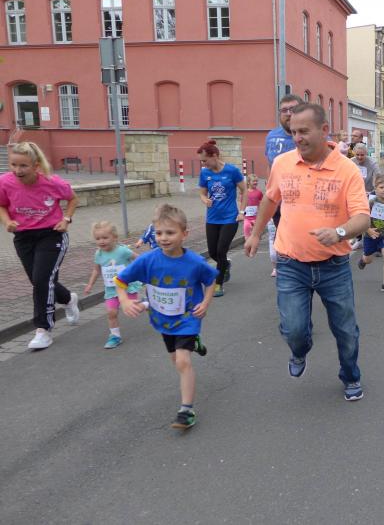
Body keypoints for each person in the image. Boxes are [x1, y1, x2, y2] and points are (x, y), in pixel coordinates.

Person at [244, 103, 370, 401]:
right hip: (291, 263)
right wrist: (256, 234)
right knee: (295, 330)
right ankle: (299, 350)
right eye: (293, 132)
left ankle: (350, 375)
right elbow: (270, 199)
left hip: (334, 266)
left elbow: (363, 217)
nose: (297, 138)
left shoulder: (347, 169)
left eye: (303, 131)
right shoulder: (283, 163)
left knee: (345, 330)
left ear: (324, 130)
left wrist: (339, 232)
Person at [116, 204, 217, 430]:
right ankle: (193, 343)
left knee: (182, 361)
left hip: (188, 318)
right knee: (176, 361)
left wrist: (205, 303)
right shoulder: (148, 260)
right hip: (163, 319)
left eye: (170, 233)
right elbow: (120, 281)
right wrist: (124, 301)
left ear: (184, 234)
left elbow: (211, 280)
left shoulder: (195, 262)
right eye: (159, 233)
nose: (163, 238)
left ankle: (186, 410)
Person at [0, 141, 80, 350]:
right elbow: (2, 205)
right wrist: (7, 222)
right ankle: (68, 299)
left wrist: (66, 219)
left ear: (36, 166)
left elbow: (72, 199)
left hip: (51, 234)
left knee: (42, 280)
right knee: (39, 281)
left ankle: (43, 329)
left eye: (23, 166)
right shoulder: (5, 182)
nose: (18, 170)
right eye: (14, 165)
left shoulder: (52, 182)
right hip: (23, 237)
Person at [197, 140, 245, 297]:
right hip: (212, 218)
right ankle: (225, 265)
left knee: (221, 251)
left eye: (205, 160)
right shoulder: (205, 173)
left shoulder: (232, 171)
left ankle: (218, 284)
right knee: (213, 252)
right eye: (201, 161)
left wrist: (242, 211)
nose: (203, 164)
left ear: (215, 156)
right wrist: (205, 200)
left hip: (230, 218)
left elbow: (244, 191)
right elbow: (202, 193)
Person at [83, 221, 141, 349]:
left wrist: (141, 271)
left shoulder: (122, 251)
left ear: (114, 237)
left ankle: (148, 305)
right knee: (111, 313)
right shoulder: (98, 254)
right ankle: (115, 336)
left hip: (127, 288)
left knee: (135, 308)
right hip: (111, 290)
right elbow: (96, 270)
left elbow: (139, 259)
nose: (101, 241)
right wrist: (90, 284)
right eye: (98, 238)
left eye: (105, 238)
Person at [265, 94, 304, 229]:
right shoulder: (271, 136)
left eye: (292, 109)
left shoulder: (315, 136)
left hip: (304, 205)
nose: (288, 113)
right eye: (284, 110)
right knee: (282, 238)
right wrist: (270, 190)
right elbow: (270, 165)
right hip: (278, 203)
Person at [357, 174, 384, 293]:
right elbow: (363, 216)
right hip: (370, 235)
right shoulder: (371, 202)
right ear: (375, 189)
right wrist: (368, 230)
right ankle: (363, 260)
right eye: (381, 187)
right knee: (368, 260)